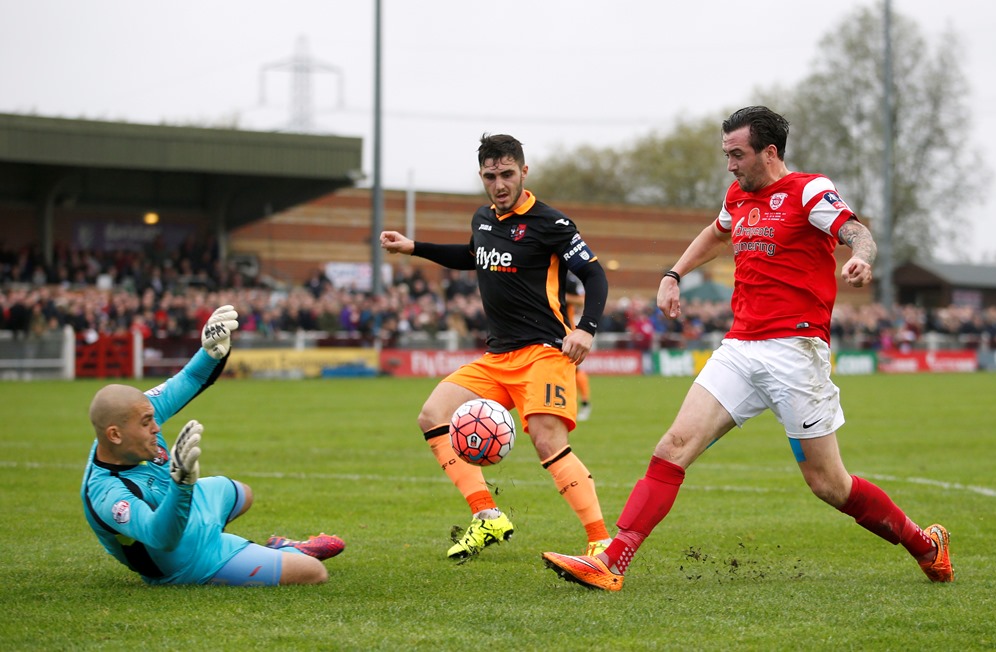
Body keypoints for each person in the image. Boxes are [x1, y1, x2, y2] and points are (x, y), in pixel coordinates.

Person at [542, 106, 953, 591]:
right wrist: (673, 274)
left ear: (770, 152)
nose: (730, 165)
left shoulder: (808, 191)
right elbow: (716, 234)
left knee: (829, 484)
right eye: (726, 155)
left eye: (737, 155)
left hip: (795, 353)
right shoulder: (737, 195)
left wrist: (861, 257)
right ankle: (612, 562)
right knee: (672, 447)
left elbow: (856, 231)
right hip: (739, 348)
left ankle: (926, 546)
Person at [380, 133, 612, 559]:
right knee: (433, 415)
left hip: (544, 352)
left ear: (524, 171)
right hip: (497, 357)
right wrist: (414, 248)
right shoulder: (483, 220)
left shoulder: (552, 224)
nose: (499, 184)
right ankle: (487, 517)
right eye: (490, 176)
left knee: (546, 439)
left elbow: (595, 276)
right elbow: (471, 255)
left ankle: (601, 543)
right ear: (482, 177)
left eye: (507, 174)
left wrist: (587, 328)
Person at [81, 304, 345, 586]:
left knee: (243, 493)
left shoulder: (136, 410)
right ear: (115, 435)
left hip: (191, 509)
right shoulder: (106, 494)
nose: (156, 426)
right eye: (147, 423)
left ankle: (254, 550)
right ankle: (278, 551)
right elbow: (162, 537)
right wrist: (182, 484)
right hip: (186, 560)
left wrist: (210, 351)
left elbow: (190, 378)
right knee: (313, 573)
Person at [566, 271, 593, 421]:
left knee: (574, 368)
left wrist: (561, 296)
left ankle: (584, 402)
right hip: (544, 329)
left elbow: (581, 301)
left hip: (565, 329)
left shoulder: (568, 279)